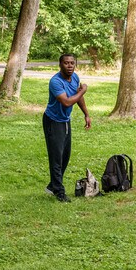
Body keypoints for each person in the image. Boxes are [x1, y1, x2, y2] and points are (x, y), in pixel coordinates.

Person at [43, 53, 91, 202]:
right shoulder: (55, 82)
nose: (69, 66)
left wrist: (86, 114)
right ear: (60, 65)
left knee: (65, 156)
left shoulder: (75, 77)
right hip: (53, 121)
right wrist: (83, 90)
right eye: (66, 63)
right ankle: (59, 192)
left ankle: (52, 186)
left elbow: (78, 97)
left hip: (65, 120)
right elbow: (67, 102)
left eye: (72, 63)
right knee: (56, 157)